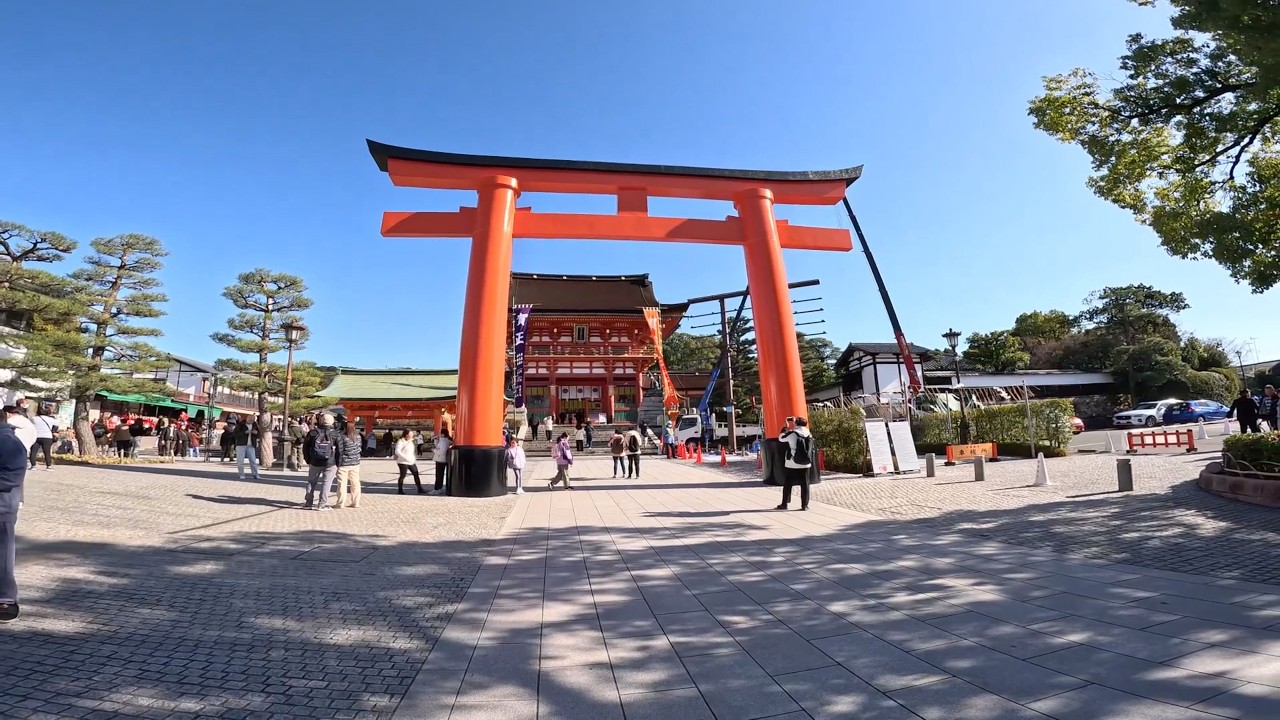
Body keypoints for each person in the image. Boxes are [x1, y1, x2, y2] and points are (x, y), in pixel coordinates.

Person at [1, 410, 29, 622]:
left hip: (1, 508)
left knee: (1, 557)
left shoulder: (8, 441)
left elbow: (11, 476)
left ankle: (6, 600)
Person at [300, 412, 340, 510]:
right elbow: (340, 450)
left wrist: (308, 460)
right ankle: (322, 504)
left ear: (321, 421)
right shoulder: (336, 434)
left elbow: (305, 448)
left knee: (311, 482)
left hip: (314, 461)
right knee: (326, 483)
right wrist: (338, 463)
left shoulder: (313, 433)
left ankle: (308, 502)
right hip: (330, 462)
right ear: (332, 422)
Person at [776, 417, 814, 512]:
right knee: (805, 484)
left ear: (796, 424)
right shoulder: (809, 434)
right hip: (806, 463)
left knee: (788, 483)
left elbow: (781, 438)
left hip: (792, 463)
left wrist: (785, 427)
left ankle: (785, 503)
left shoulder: (793, 433)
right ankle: (804, 505)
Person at [336, 421, 363, 508]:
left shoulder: (342, 437)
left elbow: (339, 450)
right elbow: (360, 448)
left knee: (342, 484)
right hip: (355, 463)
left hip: (344, 463)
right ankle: (356, 502)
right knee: (355, 483)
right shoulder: (358, 436)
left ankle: (341, 503)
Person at [394, 429, 425, 495]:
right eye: (411, 434)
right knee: (403, 475)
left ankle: (420, 489)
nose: (412, 435)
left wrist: (412, 458)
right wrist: (404, 457)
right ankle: (400, 490)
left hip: (411, 461)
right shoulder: (401, 441)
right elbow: (397, 451)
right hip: (403, 462)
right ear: (406, 435)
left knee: (416, 474)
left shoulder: (411, 441)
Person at [233, 415, 262, 480]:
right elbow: (235, 434)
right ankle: (241, 474)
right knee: (240, 461)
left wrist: (256, 433)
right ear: (247, 419)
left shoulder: (255, 425)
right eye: (250, 420)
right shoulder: (240, 424)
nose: (251, 421)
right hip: (241, 445)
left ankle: (255, 474)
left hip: (251, 445)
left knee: (253, 461)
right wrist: (244, 432)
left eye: (252, 420)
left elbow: (259, 435)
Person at [431, 429, 452, 495]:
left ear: (443, 434)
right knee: (440, 475)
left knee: (438, 475)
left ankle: (437, 488)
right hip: (443, 459)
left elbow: (441, 451)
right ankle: (439, 488)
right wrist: (436, 439)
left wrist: (434, 450)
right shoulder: (446, 441)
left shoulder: (443, 442)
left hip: (440, 459)